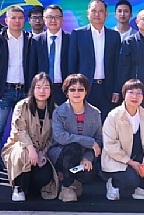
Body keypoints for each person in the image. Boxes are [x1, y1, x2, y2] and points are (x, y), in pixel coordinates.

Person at [0, 5, 32, 181]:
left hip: (25, 92)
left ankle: (24, 166)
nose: (17, 21)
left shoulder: (31, 41)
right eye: (13, 18)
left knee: (27, 130)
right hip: (4, 92)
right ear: (6, 20)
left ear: (24, 20)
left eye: (20, 18)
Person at [101, 79, 144, 202]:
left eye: (139, 93)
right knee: (131, 180)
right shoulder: (113, 116)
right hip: (117, 159)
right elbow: (110, 145)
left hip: (137, 156)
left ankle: (141, 188)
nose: (135, 96)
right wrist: (131, 163)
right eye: (131, 92)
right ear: (124, 95)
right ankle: (113, 184)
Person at [1, 73, 58, 201]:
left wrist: (43, 152)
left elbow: (53, 137)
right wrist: (31, 149)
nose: (42, 91)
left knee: (44, 175)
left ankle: (32, 187)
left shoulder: (55, 109)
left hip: (42, 151)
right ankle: (18, 188)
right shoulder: (22, 106)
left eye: (46, 87)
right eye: (38, 87)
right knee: (25, 153)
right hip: (19, 148)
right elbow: (20, 131)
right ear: (33, 89)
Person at [48, 74, 103, 203]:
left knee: (89, 174)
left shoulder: (95, 113)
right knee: (73, 147)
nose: (76, 93)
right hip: (61, 153)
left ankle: (75, 182)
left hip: (84, 154)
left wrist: (87, 157)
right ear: (67, 92)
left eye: (80, 89)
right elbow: (61, 137)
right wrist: (89, 142)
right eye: (72, 89)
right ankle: (67, 187)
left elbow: (98, 140)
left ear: (86, 92)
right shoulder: (58, 112)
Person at [69, 0, 122, 121]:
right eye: (93, 11)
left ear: (106, 14)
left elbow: (117, 65)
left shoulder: (114, 36)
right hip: (84, 88)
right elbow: (72, 63)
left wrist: (116, 90)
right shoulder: (78, 34)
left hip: (107, 89)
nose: (97, 14)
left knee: (106, 123)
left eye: (101, 11)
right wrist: (74, 88)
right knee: (84, 123)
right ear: (88, 13)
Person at [29, 4, 70, 105]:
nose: (53, 20)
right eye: (50, 17)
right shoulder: (36, 40)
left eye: (57, 17)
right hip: (42, 90)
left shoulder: (71, 39)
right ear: (44, 19)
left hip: (64, 89)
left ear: (62, 19)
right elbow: (32, 67)